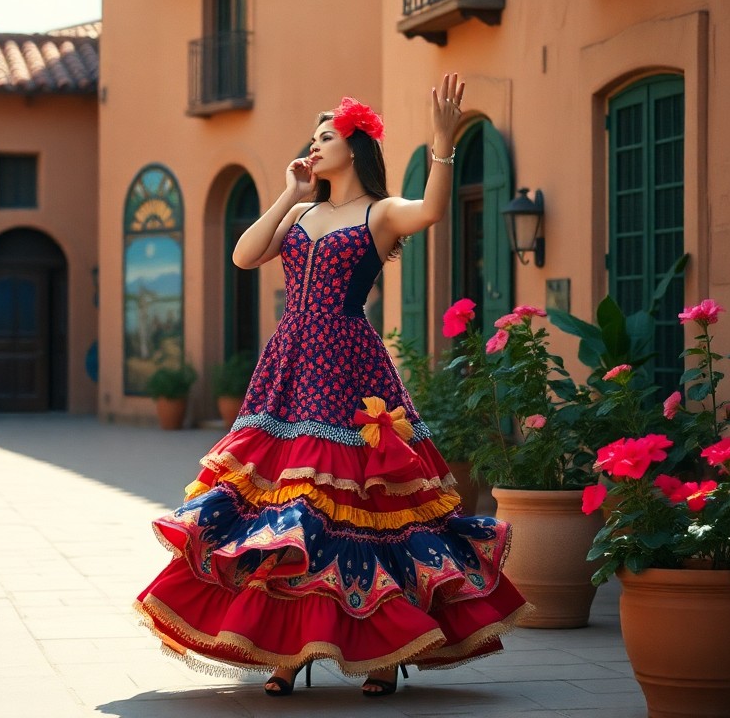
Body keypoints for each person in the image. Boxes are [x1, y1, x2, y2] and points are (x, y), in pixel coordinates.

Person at [134, 75, 532, 697]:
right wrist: (288, 191)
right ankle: (288, 649)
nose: (314, 147)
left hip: (349, 366)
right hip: (289, 363)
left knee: (361, 507)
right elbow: (244, 256)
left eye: (326, 138)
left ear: (355, 146)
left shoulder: (380, 213)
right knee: (285, 508)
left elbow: (430, 210)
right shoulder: (299, 210)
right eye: (312, 139)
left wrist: (442, 141)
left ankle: (384, 649)